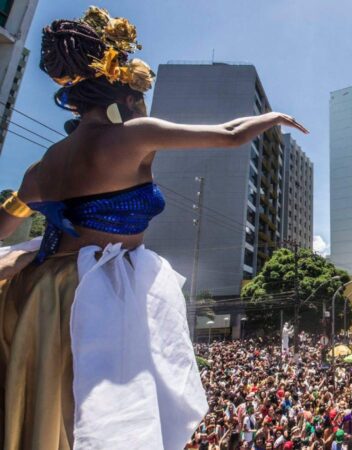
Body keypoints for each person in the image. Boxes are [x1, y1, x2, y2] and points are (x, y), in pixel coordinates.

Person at [0, 6, 307, 450]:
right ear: (125, 92)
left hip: (39, 292)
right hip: (96, 292)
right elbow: (230, 133)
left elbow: (4, 225)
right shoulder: (134, 134)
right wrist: (273, 117)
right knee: (96, 419)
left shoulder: (44, 165)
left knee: (48, 412)